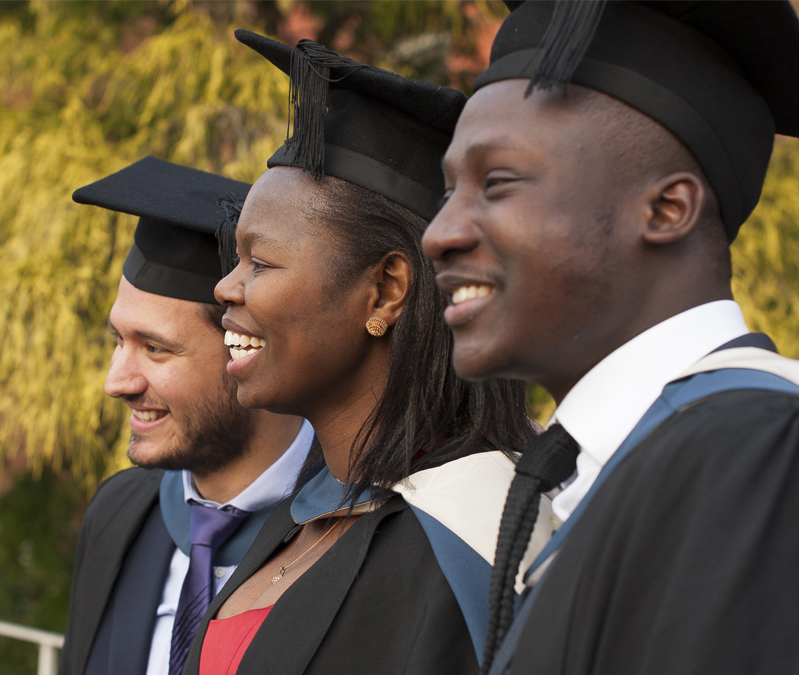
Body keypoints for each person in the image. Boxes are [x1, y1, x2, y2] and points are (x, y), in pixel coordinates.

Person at [422, 2, 799, 673]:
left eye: (496, 183)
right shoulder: (609, 468)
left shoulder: (761, 453)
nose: (439, 233)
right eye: (447, 192)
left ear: (668, 209)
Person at [181, 32, 543, 675]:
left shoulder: (482, 540)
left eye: (259, 262)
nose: (224, 288)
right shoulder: (310, 508)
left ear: (386, 290)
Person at [58, 157, 313, 675]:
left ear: (249, 353)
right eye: (118, 341)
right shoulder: (119, 514)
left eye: (155, 349)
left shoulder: (348, 536)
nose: (116, 383)